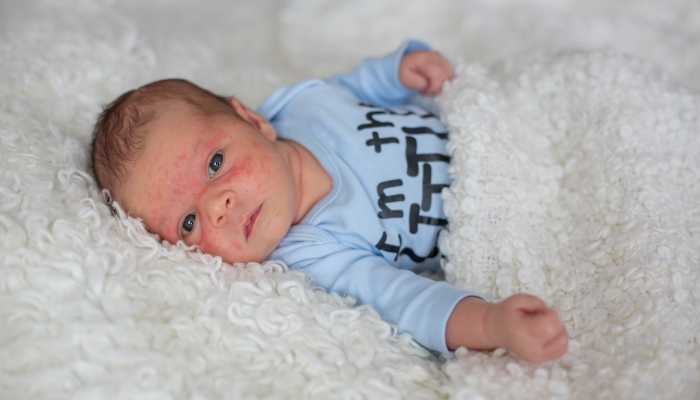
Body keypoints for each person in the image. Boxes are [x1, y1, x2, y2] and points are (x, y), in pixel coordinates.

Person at [91, 40, 568, 363]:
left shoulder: (301, 106)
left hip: (507, 130)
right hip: (517, 203)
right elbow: (403, 300)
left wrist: (398, 70)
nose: (219, 205)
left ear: (254, 121)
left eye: (215, 163)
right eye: (190, 222)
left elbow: (353, 88)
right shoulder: (313, 253)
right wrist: (490, 324)